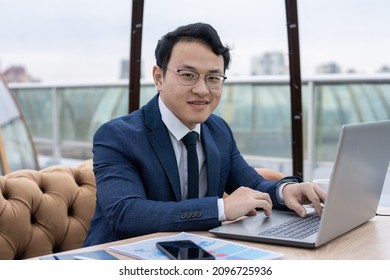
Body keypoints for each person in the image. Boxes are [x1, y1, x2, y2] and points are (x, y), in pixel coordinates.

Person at [83, 22, 326, 246]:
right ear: (159, 77)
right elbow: (126, 214)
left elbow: (252, 184)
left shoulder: (218, 130)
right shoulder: (116, 135)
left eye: (213, 78)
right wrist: (221, 208)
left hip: (195, 254)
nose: (202, 90)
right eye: (188, 75)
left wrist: (284, 192)